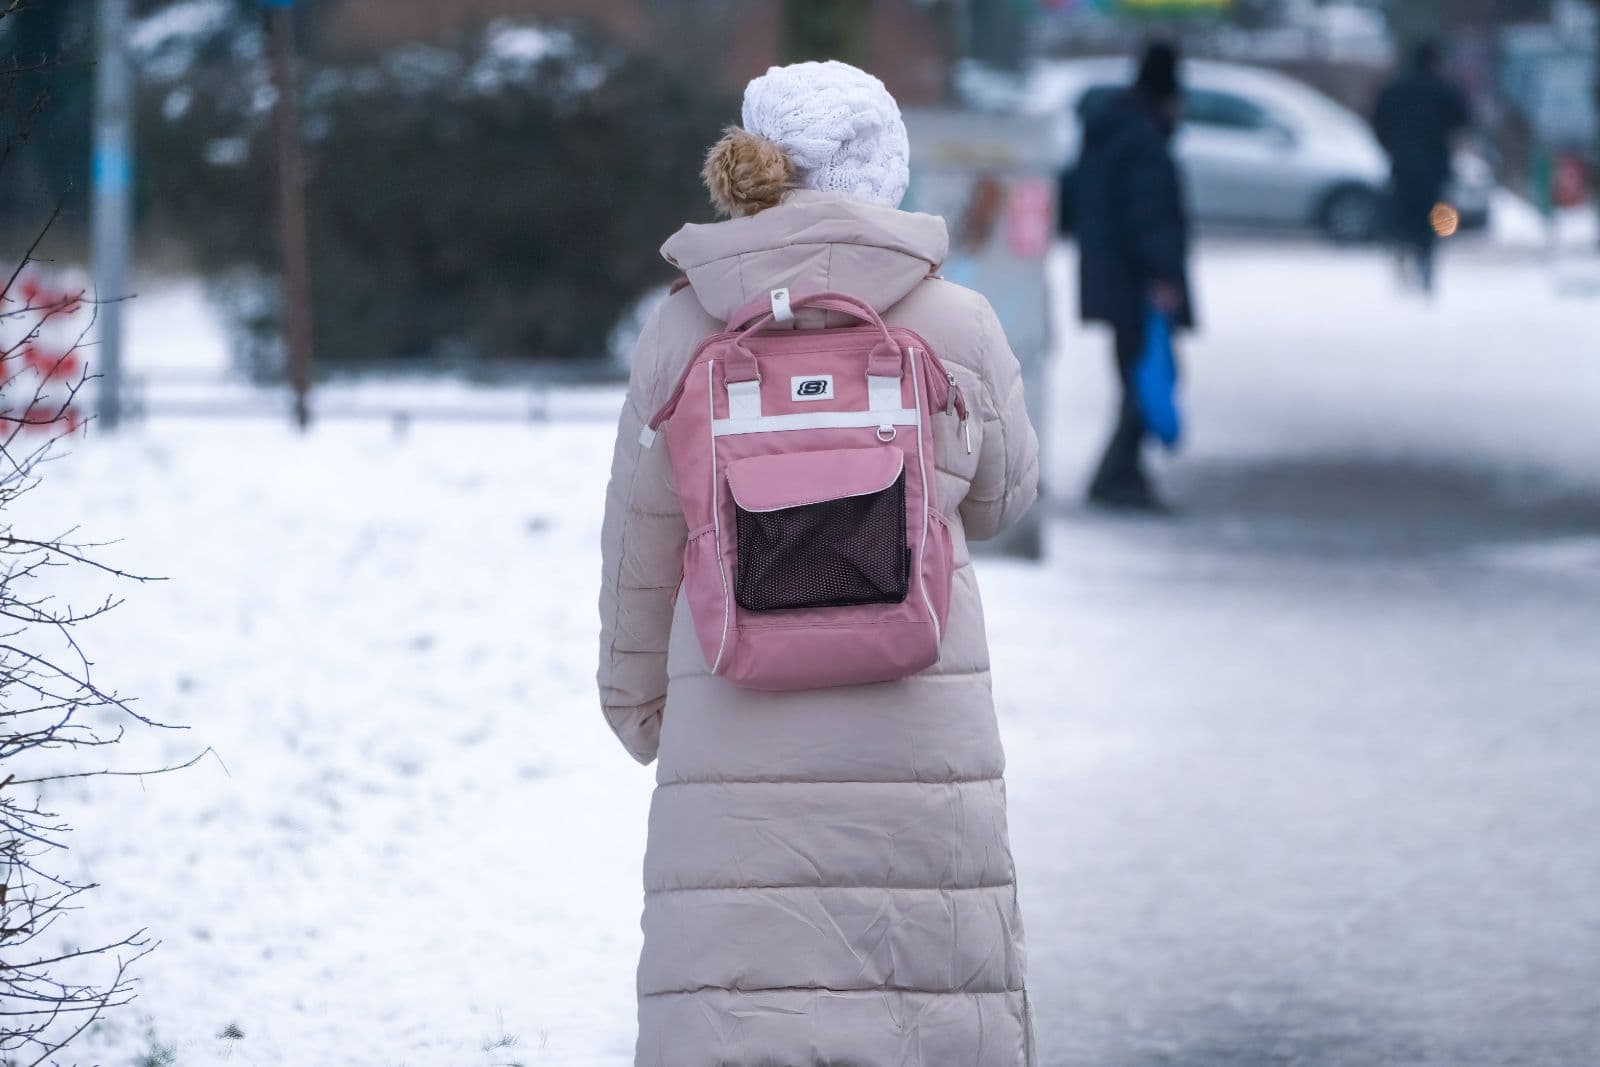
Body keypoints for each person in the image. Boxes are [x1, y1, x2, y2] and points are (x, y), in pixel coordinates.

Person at [597, 60, 1040, 1066]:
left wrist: (636, 701)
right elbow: (1006, 500)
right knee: (919, 1003)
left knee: (739, 1004)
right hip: (917, 726)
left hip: (733, 726)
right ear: (882, 167)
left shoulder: (681, 328)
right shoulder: (955, 322)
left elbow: (641, 539)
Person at [1073, 41, 1194, 513]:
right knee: (1148, 378)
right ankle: (1117, 475)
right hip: (1138, 284)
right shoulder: (1142, 137)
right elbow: (1149, 215)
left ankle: (1123, 473)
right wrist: (1162, 275)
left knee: (1137, 377)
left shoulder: (1111, 129)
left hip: (1114, 278)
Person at [1371, 41, 1470, 293]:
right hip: (1434, 165)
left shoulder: (1394, 89)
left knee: (1404, 212)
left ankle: (1403, 248)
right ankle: (1426, 260)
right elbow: (1463, 121)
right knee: (1433, 216)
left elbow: (1377, 122)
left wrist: (1391, 146)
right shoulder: (1444, 89)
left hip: (1402, 163)